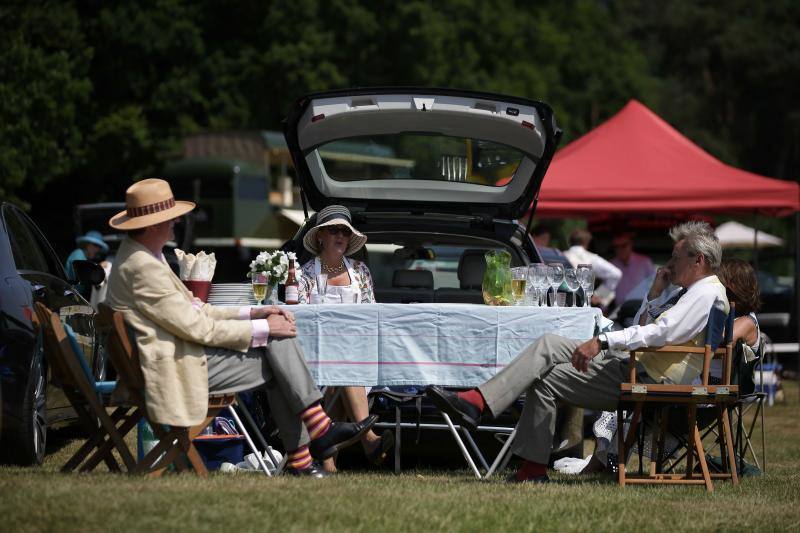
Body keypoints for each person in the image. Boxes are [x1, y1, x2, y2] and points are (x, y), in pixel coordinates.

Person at [104, 178, 376, 478]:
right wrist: (262, 328)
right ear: (154, 224)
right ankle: (314, 438)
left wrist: (255, 312)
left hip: (171, 359)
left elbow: (198, 311)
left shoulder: (141, 258)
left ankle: (310, 444)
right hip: (169, 370)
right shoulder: (142, 267)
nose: (175, 224)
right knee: (277, 346)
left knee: (276, 345)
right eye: (171, 219)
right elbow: (197, 328)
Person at [426, 220, 728, 483]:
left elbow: (660, 333)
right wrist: (653, 296)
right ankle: (480, 407)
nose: (671, 264)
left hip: (648, 378)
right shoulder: (694, 293)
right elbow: (643, 325)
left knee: (544, 375)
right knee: (547, 345)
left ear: (698, 260)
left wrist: (602, 342)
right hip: (637, 367)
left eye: (676, 257)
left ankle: (497, 425)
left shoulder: (704, 294)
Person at [297, 205, 394, 472]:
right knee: (342, 367)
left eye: (344, 231)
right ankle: (369, 439)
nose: (340, 235)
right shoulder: (304, 274)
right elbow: (301, 321)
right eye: (333, 230)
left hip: (356, 354)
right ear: (320, 236)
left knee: (344, 366)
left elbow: (371, 315)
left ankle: (329, 466)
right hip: (315, 358)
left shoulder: (360, 271)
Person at [610, 232, 655, 305]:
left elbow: (654, 286)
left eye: (623, 246)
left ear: (631, 244)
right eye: (616, 247)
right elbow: (607, 289)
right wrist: (602, 310)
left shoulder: (644, 262)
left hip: (641, 308)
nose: (620, 250)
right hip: (620, 310)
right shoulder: (611, 265)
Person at [65, 230, 110, 299]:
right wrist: (99, 267)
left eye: (99, 247)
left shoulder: (82, 255)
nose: (98, 249)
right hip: (73, 297)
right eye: (95, 245)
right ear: (87, 244)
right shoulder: (78, 256)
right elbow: (85, 279)